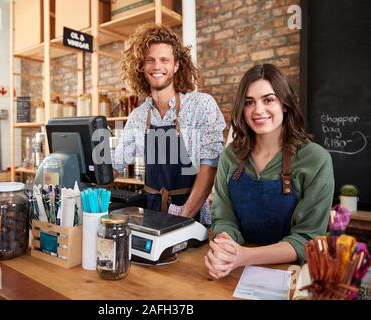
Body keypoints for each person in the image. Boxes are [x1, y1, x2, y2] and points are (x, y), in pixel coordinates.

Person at [205, 64, 334, 278]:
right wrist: (226, 247)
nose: (258, 110)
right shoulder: (230, 156)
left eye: (268, 100)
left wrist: (244, 256)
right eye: (249, 102)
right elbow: (224, 218)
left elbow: (306, 238)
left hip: (294, 275)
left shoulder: (316, 160)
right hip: (235, 271)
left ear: (284, 103)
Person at [112, 23, 226, 224]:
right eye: (150, 60)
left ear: (176, 65)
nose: (157, 66)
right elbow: (116, 164)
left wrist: (182, 217)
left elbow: (210, 168)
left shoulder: (201, 105)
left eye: (164, 60)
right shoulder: (138, 116)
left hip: (191, 214)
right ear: (142, 66)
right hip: (151, 215)